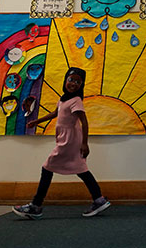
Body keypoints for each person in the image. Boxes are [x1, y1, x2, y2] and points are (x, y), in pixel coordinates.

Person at [12, 67, 110, 219]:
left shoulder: (76, 101)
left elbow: (84, 122)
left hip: (70, 141)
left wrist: (85, 143)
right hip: (67, 139)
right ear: (65, 81)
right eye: (71, 80)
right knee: (81, 169)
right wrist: (36, 121)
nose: (74, 83)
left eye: (78, 82)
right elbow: (55, 113)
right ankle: (99, 199)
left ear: (81, 85)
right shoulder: (64, 99)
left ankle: (36, 206)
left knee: (47, 168)